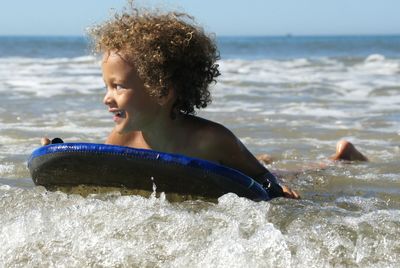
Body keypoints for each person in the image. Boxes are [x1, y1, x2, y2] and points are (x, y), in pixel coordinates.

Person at [41, 8, 367, 200]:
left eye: (118, 86)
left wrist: (278, 189)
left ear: (162, 92)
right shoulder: (123, 138)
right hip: (213, 163)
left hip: (230, 162)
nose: (106, 97)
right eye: (106, 86)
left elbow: (262, 178)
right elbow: (99, 168)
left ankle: (339, 157)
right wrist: (57, 154)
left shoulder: (211, 139)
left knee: (288, 172)